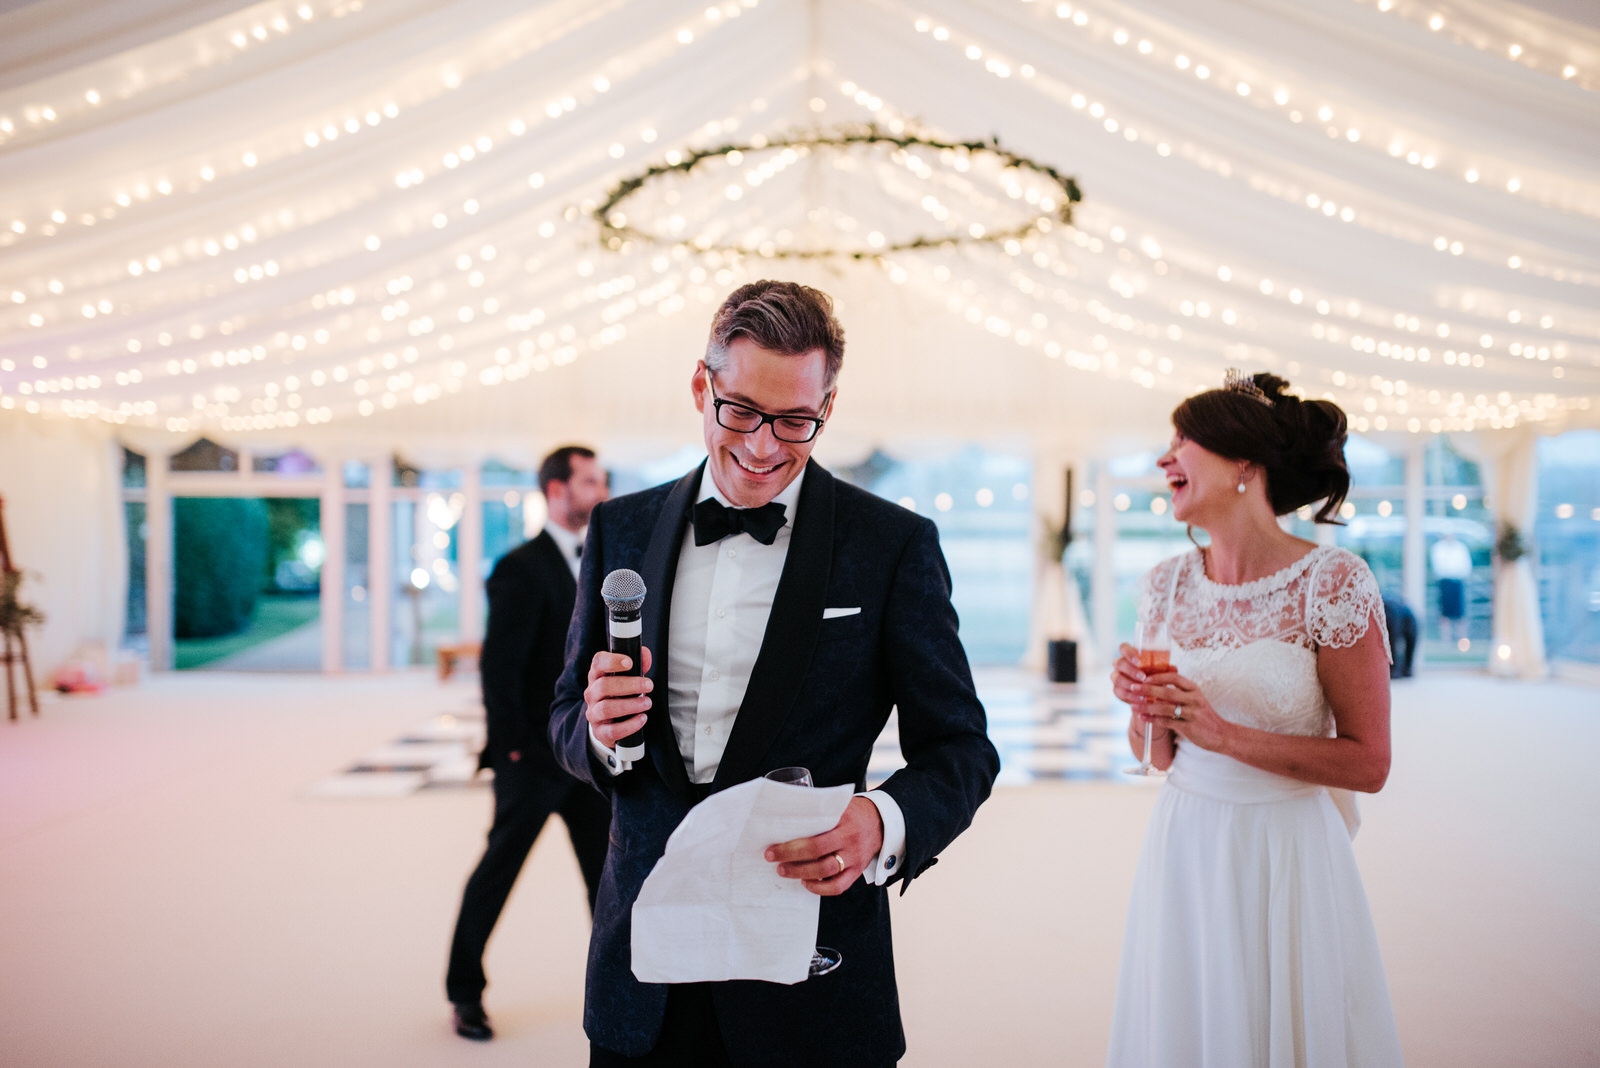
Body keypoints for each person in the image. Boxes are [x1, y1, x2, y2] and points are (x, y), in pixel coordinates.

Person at [548, 280, 999, 1067]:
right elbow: (562, 716)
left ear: (829, 404)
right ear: (702, 386)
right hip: (643, 966)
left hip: (809, 974)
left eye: (797, 421)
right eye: (742, 411)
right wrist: (597, 731)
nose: (763, 446)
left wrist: (882, 824)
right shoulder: (620, 527)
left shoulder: (892, 545)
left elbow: (961, 747)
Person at [1106, 371, 1404, 1067]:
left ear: (1245, 464)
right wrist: (1141, 707)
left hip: (1284, 848)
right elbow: (1158, 755)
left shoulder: (1333, 583)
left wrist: (1225, 734)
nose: (1163, 457)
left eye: (1184, 439)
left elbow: (1371, 763)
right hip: (1184, 843)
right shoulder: (1165, 583)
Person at [446, 445, 613, 1041]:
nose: (602, 490)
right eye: (590, 481)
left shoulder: (607, 559)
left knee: (609, 880)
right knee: (498, 872)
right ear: (556, 490)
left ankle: (622, 990)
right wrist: (514, 750)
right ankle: (465, 992)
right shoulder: (520, 566)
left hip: (588, 760)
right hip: (532, 762)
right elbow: (500, 671)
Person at [1430, 530, 1472, 645]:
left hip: (1458, 582)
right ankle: (1446, 640)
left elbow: (1466, 566)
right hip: (1445, 582)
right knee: (1444, 613)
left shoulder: (1460, 548)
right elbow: (1438, 567)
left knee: (1460, 613)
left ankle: (1462, 640)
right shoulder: (1438, 548)